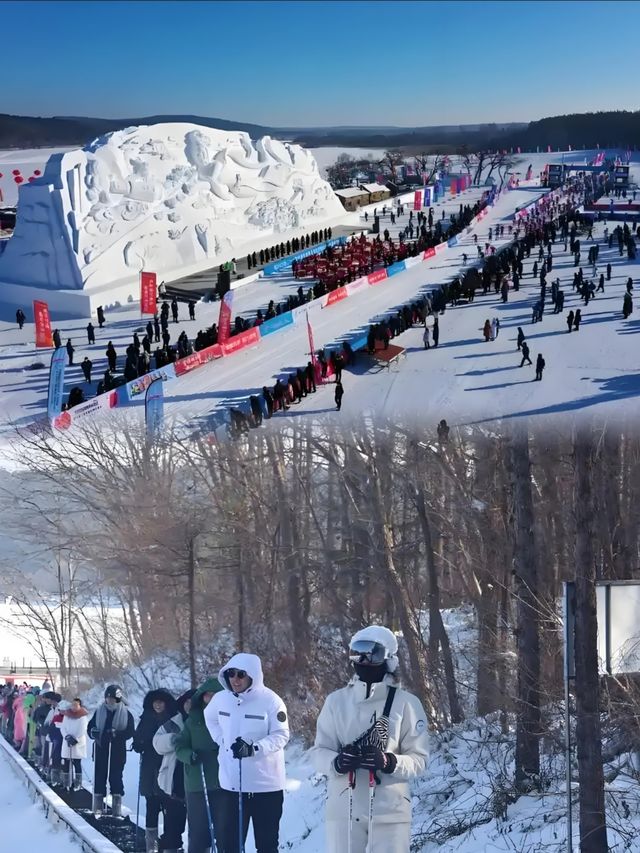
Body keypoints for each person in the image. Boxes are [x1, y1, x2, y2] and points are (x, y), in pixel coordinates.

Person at [310, 625, 429, 853]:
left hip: (390, 811)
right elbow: (318, 752)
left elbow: (420, 759)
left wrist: (389, 762)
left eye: (372, 654)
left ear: (388, 659)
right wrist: (336, 762)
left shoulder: (406, 704)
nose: (363, 660)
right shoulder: (336, 702)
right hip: (344, 809)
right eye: (358, 653)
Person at [204, 654, 290, 853]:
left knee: (267, 846)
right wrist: (222, 740)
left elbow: (281, 735)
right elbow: (210, 719)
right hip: (231, 786)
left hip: (266, 788)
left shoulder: (271, 701)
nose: (235, 679)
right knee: (229, 845)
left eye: (241, 675)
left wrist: (254, 749)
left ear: (253, 676)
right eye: (231, 674)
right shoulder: (220, 699)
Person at [175, 679, 224, 853]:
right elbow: (179, 746)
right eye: (207, 695)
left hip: (223, 783)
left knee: (224, 830)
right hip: (197, 782)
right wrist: (190, 756)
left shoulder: (228, 718)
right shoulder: (192, 720)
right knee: (198, 832)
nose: (210, 699)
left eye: (214, 695)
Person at [132, 689, 178, 853]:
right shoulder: (145, 718)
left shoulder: (172, 720)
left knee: (168, 807)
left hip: (166, 766)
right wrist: (138, 744)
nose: (158, 705)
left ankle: (165, 844)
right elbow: (137, 738)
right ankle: (150, 845)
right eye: (155, 702)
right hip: (149, 767)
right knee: (151, 806)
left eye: (161, 701)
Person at [87, 684, 135, 816]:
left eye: (113, 699)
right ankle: (97, 807)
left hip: (117, 750)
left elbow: (130, 731)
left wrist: (117, 734)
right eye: (108, 698)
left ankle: (116, 808)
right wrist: (93, 733)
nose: (110, 701)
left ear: (118, 699)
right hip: (101, 748)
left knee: (116, 777)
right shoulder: (99, 711)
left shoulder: (125, 713)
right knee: (99, 775)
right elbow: (90, 727)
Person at [60, 697, 88, 791]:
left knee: (77, 763)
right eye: (73, 705)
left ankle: (78, 783)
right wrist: (67, 736)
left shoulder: (83, 716)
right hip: (67, 741)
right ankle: (66, 782)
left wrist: (75, 738)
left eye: (76, 705)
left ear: (80, 706)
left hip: (78, 742)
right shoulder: (67, 715)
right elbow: (63, 727)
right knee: (66, 762)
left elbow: (82, 729)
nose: (74, 707)